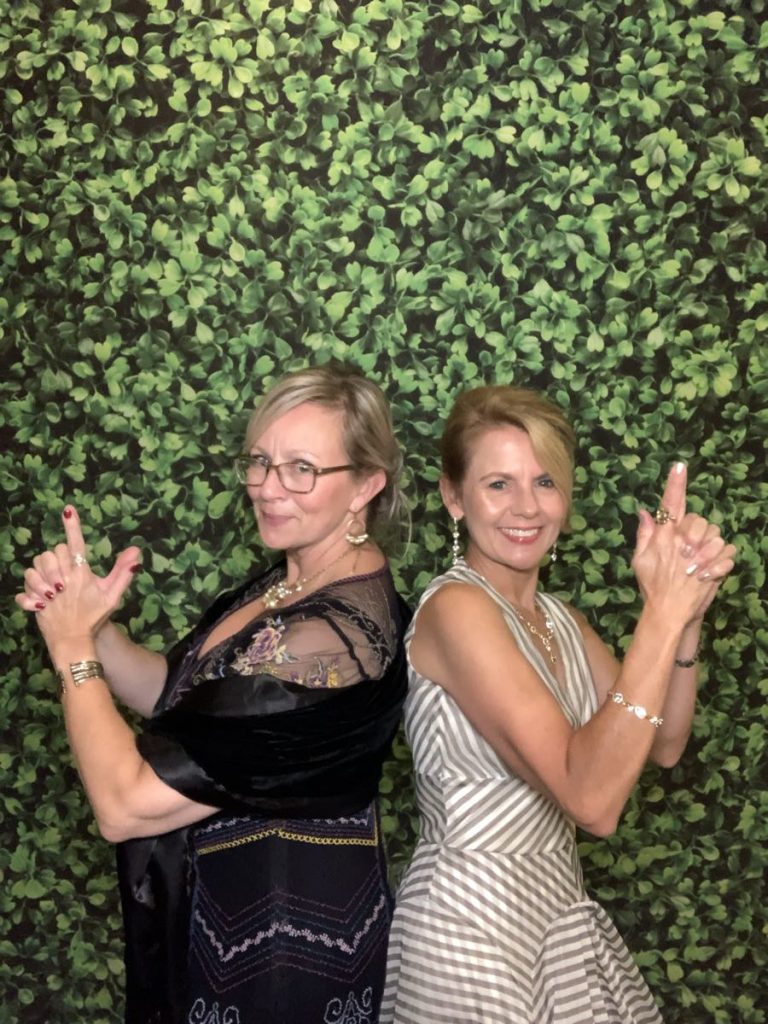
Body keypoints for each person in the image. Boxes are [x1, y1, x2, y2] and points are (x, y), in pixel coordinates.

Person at [17, 363, 410, 1024]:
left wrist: (72, 651)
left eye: (301, 469)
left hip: (283, 945)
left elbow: (125, 806)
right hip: (229, 918)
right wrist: (92, 622)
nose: (266, 487)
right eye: (259, 461)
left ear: (366, 485)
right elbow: (180, 696)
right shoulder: (288, 581)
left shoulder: (327, 640)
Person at [380, 385, 736, 1024]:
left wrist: (686, 621)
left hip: (555, 920)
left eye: (545, 481)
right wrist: (660, 611)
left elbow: (662, 741)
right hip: (470, 929)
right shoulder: (455, 611)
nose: (526, 507)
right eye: (498, 484)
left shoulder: (559, 620)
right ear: (453, 497)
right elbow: (592, 799)